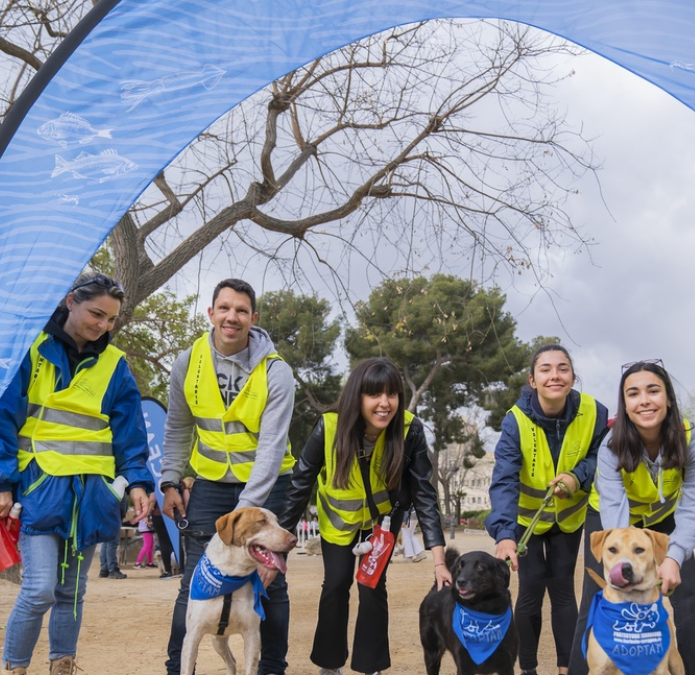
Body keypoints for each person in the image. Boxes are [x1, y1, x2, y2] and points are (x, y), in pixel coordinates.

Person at [0, 272, 152, 675]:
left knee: (72, 592)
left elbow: (130, 434)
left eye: (110, 319)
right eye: (96, 313)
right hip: (39, 487)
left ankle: (63, 665)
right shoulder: (30, 349)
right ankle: (15, 668)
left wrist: (137, 482)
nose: (102, 325)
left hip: (92, 493)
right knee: (38, 591)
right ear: (70, 301)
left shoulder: (116, 364)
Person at [278, 357, 451, 675]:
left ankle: (370, 666)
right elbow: (300, 483)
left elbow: (424, 493)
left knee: (372, 587)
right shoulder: (330, 426)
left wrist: (439, 561)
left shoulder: (410, 429)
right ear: (357, 396)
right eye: (375, 394)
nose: (385, 404)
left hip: (381, 524)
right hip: (338, 525)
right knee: (336, 585)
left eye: (392, 394)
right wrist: (279, 545)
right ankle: (330, 664)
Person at [159, 278, 296, 675]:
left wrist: (244, 515)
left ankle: (271, 669)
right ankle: (177, 668)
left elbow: (271, 448)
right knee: (195, 580)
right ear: (211, 313)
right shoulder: (188, 361)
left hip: (269, 484)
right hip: (210, 484)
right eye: (224, 308)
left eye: (240, 311)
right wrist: (170, 481)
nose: (231, 317)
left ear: (253, 319)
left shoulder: (277, 371)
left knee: (270, 578)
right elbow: (178, 428)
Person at [568, 360, 695, 675]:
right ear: (625, 406)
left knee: (689, 595)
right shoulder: (611, 445)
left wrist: (673, 557)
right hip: (612, 521)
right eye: (633, 394)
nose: (644, 400)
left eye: (653, 391)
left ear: (668, 398)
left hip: (664, 518)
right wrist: (624, 565)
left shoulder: (691, 440)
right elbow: (616, 515)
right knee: (598, 596)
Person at [487, 344, 609, 675]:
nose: (555, 375)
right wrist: (505, 534)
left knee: (563, 589)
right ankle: (528, 669)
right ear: (532, 380)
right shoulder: (515, 421)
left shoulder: (595, 412)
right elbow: (505, 480)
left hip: (569, 519)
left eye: (563, 368)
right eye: (545, 369)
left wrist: (577, 476)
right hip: (527, 520)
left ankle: (566, 668)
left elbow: (603, 457)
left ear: (572, 376)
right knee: (530, 588)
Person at [98, 494, 129, 579]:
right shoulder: (118, 486)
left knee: (105, 543)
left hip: (105, 516)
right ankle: (113, 569)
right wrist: (121, 516)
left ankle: (104, 569)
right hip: (113, 516)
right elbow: (122, 506)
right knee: (112, 543)